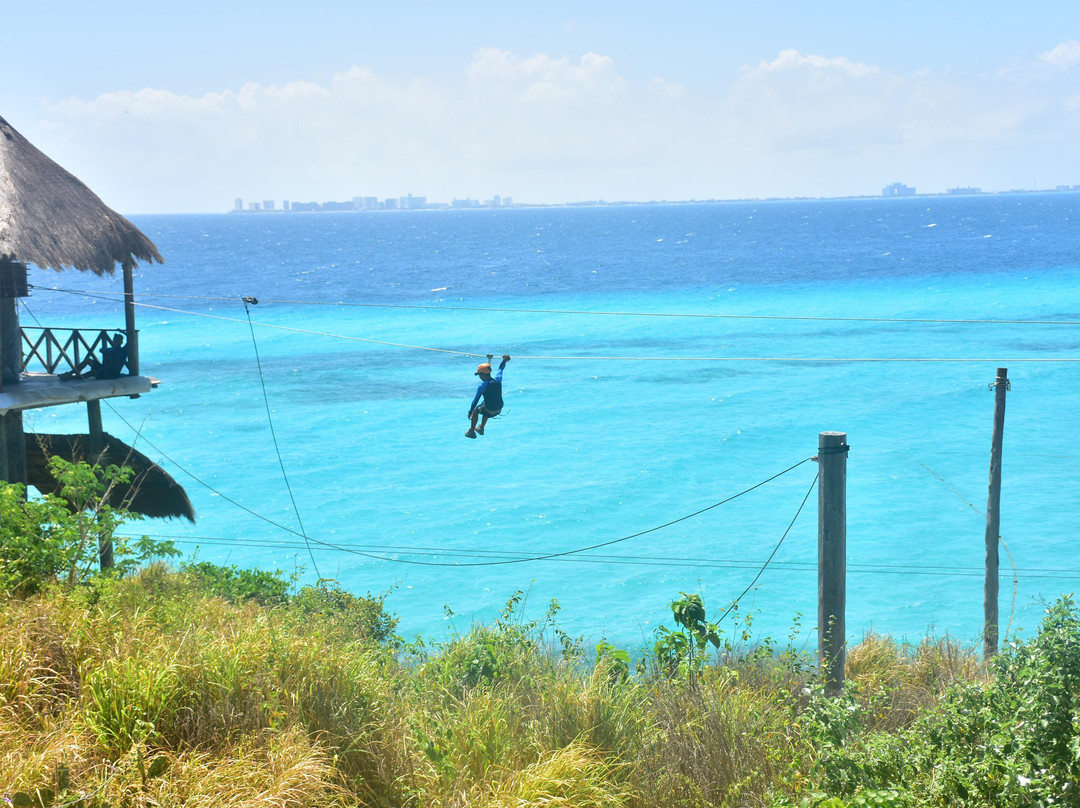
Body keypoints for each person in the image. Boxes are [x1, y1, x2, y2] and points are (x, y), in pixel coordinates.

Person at [466, 354, 510, 439]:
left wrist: (470, 412)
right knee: (485, 404)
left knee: (477, 410)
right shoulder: (498, 380)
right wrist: (504, 361)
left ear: (482, 375)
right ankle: (481, 428)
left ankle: (471, 432)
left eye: (479, 375)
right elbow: (501, 369)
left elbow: (475, 401)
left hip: (490, 410)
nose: (479, 377)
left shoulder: (482, 386)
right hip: (499, 409)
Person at [60, 333, 128, 381]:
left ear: (121, 342)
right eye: (115, 340)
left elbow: (130, 339)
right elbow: (101, 350)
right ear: (113, 340)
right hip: (104, 368)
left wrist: (124, 333)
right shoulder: (110, 349)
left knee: (93, 372)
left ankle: (71, 378)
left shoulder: (123, 351)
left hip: (111, 374)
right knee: (88, 360)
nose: (116, 341)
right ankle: (70, 373)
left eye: (118, 340)